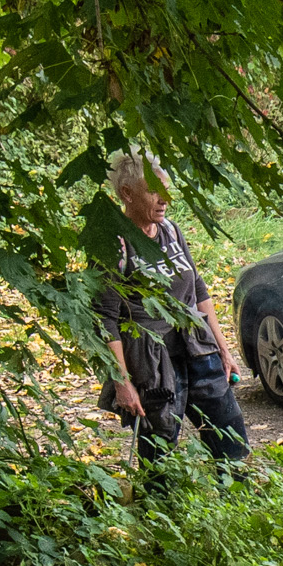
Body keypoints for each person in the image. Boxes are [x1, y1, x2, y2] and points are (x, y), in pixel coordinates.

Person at [96, 154, 250, 471]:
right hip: (153, 360)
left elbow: (199, 289)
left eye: (166, 189)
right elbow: (105, 319)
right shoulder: (113, 244)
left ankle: (237, 503)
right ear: (127, 193)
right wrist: (122, 382)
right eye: (154, 190)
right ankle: (159, 512)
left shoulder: (170, 231)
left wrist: (223, 349)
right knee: (159, 453)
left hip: (197, 346)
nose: (164, 199)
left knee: (231, 439)